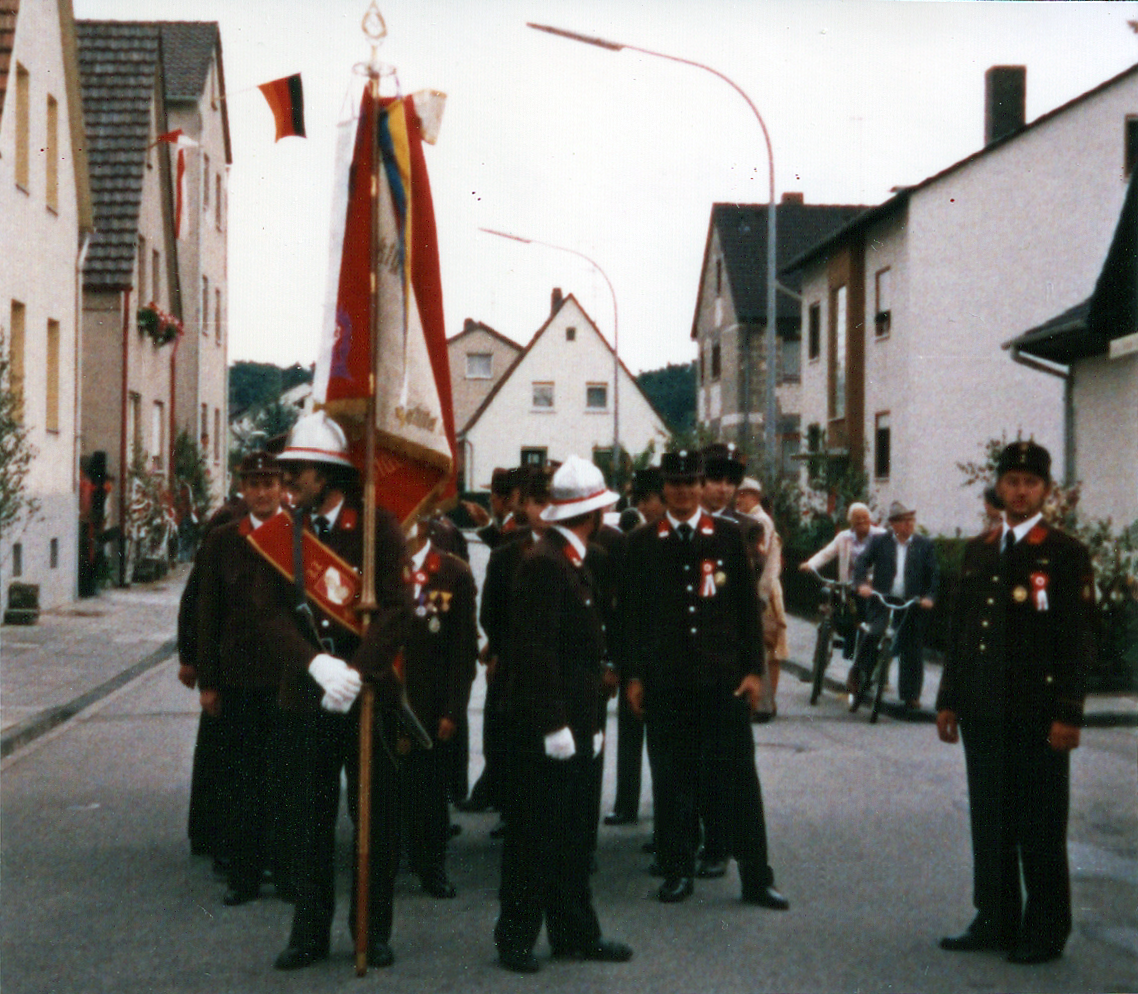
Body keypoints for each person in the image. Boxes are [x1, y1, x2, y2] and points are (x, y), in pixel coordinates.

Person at [258, 412, 411, 972]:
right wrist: (317, 665)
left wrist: (358, 672)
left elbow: (397, 610)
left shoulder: (377, 528)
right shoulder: (283, 535)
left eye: (297, 469)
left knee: (375, 817)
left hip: (368, 698)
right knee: (307, 818)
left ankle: (372, 929)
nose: (288, 478)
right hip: (306, 695)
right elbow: (268, 613)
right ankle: (308, 933)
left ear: (325, 474)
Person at [936, 440, 1094, 965]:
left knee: (1040, 822)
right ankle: (996, 917)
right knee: (991, 819)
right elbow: (961, 631)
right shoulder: (980, 549)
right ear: (998, 487)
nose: (1020, 492)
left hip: (1037, 713)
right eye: (1011, 482)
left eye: (1030, 483)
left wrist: (1069, 713)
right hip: (983, 710)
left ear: (1046, 490)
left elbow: (1076, 639)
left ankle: (1046, 927)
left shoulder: (1065, 553)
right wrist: (949, 700)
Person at [623, 449, 788, 910]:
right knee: (672, 781)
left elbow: (745, 613)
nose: (682, 491)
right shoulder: (642, 543)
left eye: (690, 482)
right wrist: (634, 674)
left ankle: (757, 878)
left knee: (739, 781)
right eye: (673, 484)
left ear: (700, 486)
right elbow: (633, 618)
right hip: (668, 682)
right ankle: (677, 871)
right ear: (663, 490)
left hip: (722, 681)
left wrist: (755, 672)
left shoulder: (730, 536)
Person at [494, 456, 632, 974]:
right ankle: (515, 938)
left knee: (574, 835)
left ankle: (575, 931)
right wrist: (553, 724)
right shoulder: (546, 562)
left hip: (578, 720)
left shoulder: (573, 559)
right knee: (535, 834)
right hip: (549, 727)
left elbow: (583, 651)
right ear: (594, 514)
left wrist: (592, 721)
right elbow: (534, 652)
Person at [193, 451, 291, 905]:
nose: (262, 491)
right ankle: (245, 874)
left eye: (269, 482)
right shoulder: (223, 541)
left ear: (282, 486)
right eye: (253, 482)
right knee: (241, 778)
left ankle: (287, 871)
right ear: (241, 487)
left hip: (289, 678)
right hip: (237, 678)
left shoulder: (300, 537)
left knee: (287, 777)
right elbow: (207, 614)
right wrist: (208, 682)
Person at [460, 467, 550, 821]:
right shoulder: (510, 548)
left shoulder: (585, 551)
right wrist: (499, 646)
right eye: (538, 502)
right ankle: (508, 808)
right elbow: (492, 610)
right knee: (510, 739)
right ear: (524, 504)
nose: (546, 511)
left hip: (558, 674)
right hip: (515, 665)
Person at [398, 516, 478, 898]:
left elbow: (462, 650)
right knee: (386, 790)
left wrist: (453, 709)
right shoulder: (377, 569)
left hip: (431, 704)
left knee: (430, 791)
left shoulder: (452, 572)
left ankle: (433, 869)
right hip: (387, 700)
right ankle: (390, 861)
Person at [851, 500, 938, 710]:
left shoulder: (924, 545)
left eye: (911, 520)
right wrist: (861, 584)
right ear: (893, 524)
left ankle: (910, 695)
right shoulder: (880, 541)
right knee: (875, 632)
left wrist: (929, 598)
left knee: (912, 645)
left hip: (910, 603)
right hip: (883, 599)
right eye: (904, 521)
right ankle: (858, 674)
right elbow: (862, 562)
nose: (909, 525)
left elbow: (933, 576)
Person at [799, 502, 885, 659]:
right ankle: (824, 648)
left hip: (871, 587)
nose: (861, 521)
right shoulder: (844, 537)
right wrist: (810, 564)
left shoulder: (881, 536)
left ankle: (858, 653)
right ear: (850, 521)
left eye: (864, 517)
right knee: (830, 599)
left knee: (865, 617)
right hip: (847, 585)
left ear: (870, 519)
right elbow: (826, 553)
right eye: (856, 518)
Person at [735, 477, 788, 719]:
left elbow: (761, 560)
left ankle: (764, 703)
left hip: (762, 589)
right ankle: (765, 702)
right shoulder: (759, 518)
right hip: (762, 587)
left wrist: (759, 595)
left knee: (766, 644)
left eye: (743, 495)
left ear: (754, 496)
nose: (739, 500)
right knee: (765, 645)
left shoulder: (759, 520)